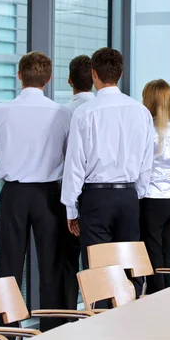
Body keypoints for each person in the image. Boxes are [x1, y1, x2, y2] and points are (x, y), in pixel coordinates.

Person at [61, 47, 155, 298]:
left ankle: (101, 328)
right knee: (129, 268)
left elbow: (74, 165)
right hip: (128, 197)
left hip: (95, 198)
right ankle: (130, 324)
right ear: (121, 73)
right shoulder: (140, 111)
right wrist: (137, 195)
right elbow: (147, 162)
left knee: (98, 272)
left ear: (93, 74)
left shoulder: (84, 112)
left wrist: (71, 208)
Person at [0, 51, 71, 332]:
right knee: (51, 265)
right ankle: (52, 332)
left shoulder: (0, 110)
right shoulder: (62, 113)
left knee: (9, 267)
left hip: (13, 194)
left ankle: (8, 336)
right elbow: (66, 153)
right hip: (48, 194)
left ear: (19, 75)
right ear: (48, 79)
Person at [139, 79, 170, 294]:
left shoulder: (147, 131)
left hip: (151, 200)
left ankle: (156, 305)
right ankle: (167, 301)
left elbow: (142, 170)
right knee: (166, 256)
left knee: (152, 257)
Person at [62, 55, 95, 311]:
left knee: (66, 263)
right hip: (101, 196)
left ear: (70, 80)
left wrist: (71, 209)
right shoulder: (110, 109)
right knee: (98, 265)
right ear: (93, 78)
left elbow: (70, 162)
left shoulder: (64, 112)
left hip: (69, 195)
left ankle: (68, 317)